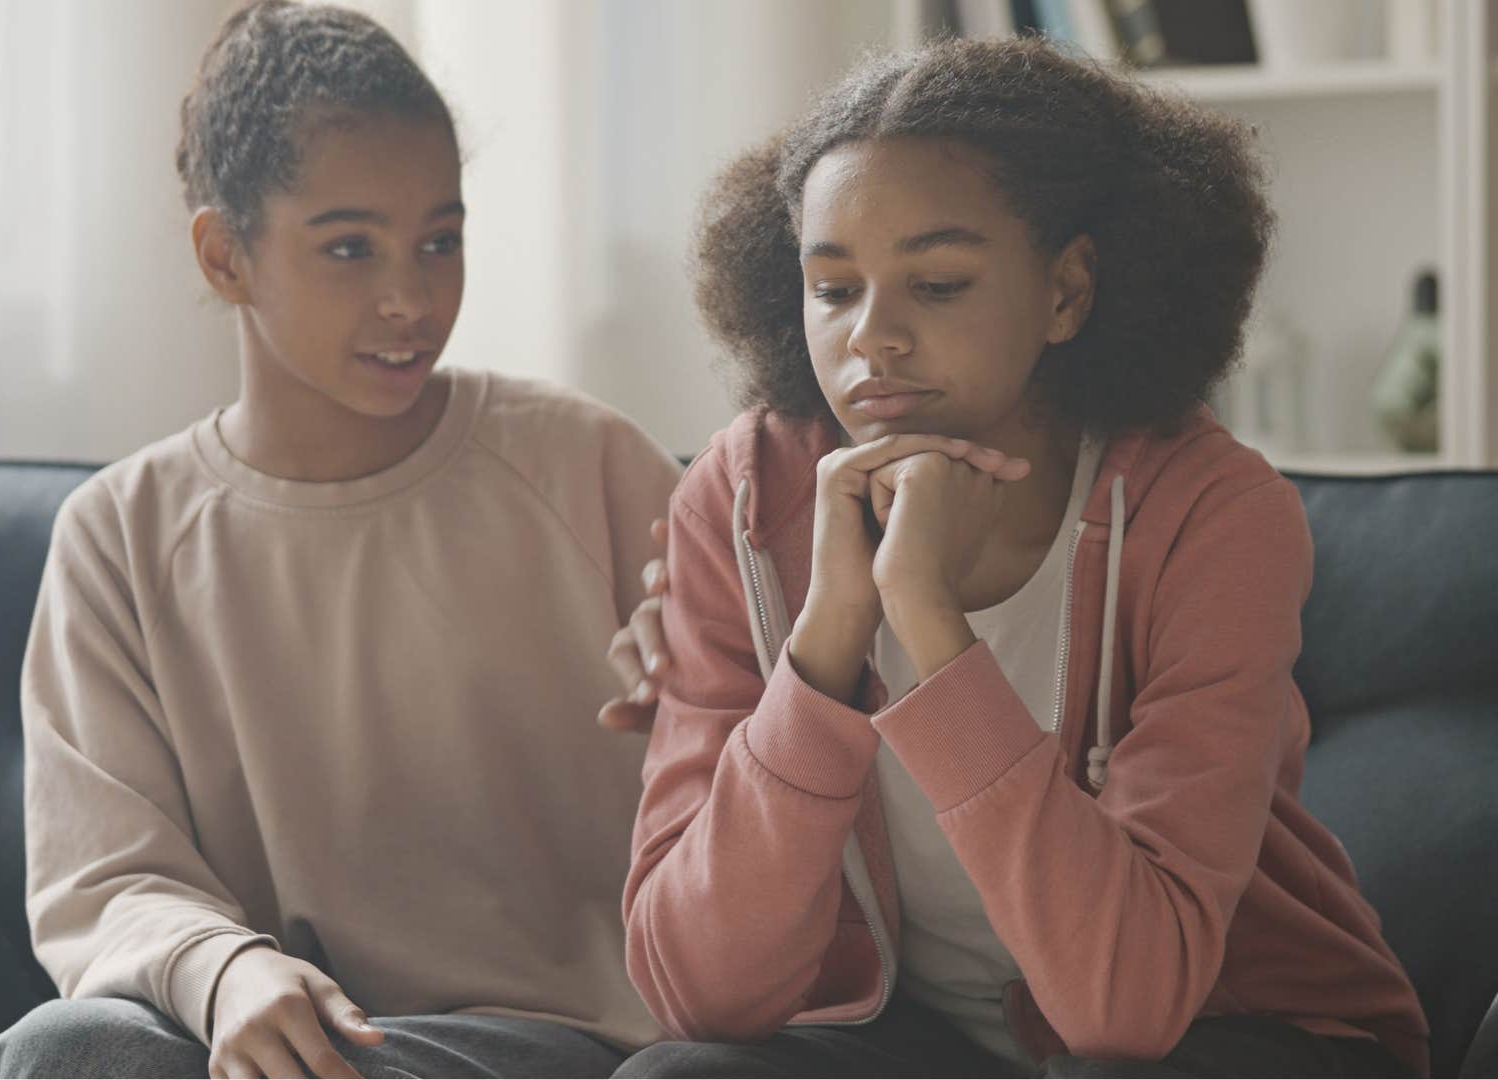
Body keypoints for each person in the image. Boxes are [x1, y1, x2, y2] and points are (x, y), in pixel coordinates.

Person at [610, 36, 1430, 1078]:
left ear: (1067, 291)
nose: (873, 337)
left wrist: (929, 621)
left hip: (1224, 1033)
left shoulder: (1213, 514)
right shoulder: (740, 500)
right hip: (913, 1037)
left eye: (938, 284)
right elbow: (699, 992)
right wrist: (824, 643)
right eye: (833, 288)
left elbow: (1126, 1007)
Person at [0, 3, 679, 1077]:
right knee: (67, 1052)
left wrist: (723, 688)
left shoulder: (585, 463)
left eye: (441, 239)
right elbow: (103, 877)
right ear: (223, 256)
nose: (410, 297)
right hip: (298, 1038)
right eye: (349, 247)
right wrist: (226, 969)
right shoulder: (119, 539)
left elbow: (786, 757)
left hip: (573, 1043)